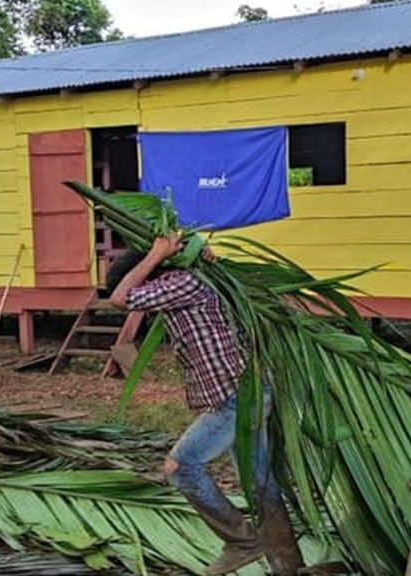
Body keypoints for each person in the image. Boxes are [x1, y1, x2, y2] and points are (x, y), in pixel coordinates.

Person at [107, 234, 304, 576]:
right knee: (261, 481)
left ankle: (243, 542)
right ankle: (288, 565)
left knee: (180, 468)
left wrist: (155, 254)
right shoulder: (202, 278)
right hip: (251, 390)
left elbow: (120, 298)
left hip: (234, 399)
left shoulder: (180, 282)